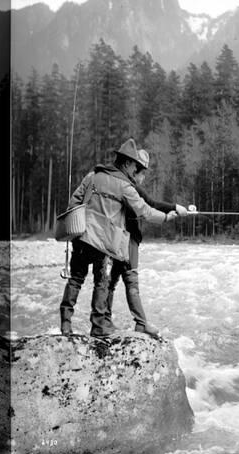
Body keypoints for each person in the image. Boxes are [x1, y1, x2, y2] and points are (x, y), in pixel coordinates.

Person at [59, 138, 177, 339]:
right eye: (134, 165)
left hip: (80, 236)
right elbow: (145, 211)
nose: (135, 170)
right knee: (101, 283)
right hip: (103, 244)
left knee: (76, 280)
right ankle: (98, 326)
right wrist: (166, 217)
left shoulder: (92, 176)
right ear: (127, 163)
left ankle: (66, 324)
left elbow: (74, 201)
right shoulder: (124, 186)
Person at [105, 148, 188, 338]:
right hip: (127, 239)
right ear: (134, 168)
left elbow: (150, 203)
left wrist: (174, 208)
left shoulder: (117, 181)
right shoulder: (129, 186)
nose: (143, 178)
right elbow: (151, 205)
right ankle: (140, 323)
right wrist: (174, 210)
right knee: (130, 279)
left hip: (114, 238)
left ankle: (105, 319)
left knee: (112, 281)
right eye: (142, 173)